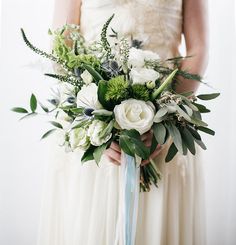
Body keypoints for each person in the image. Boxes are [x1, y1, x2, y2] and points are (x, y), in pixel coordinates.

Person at [38, 0, 209, 244]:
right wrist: (95, 123)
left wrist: (165, 118)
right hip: (93, 133)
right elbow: (62, 46)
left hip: (164, 131)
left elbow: (198, 48)